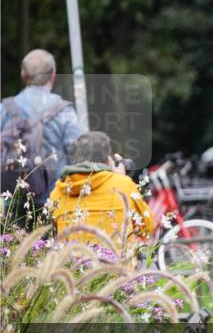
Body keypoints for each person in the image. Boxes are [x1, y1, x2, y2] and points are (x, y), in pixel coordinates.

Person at [1, 49, 85, 208]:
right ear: (53, 74)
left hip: (13, 201)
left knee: (12, 233)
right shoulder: (64, 111)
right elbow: (80, 154)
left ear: (23, 75)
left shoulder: (4, 109)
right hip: (55, 203)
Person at [46, 131, 155, 247]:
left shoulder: (57, 193)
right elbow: (147, 228)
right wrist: (120, 178)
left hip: (70, 263)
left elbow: (51, 236)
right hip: (117, 263)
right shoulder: (124, 185)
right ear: (109, 160)